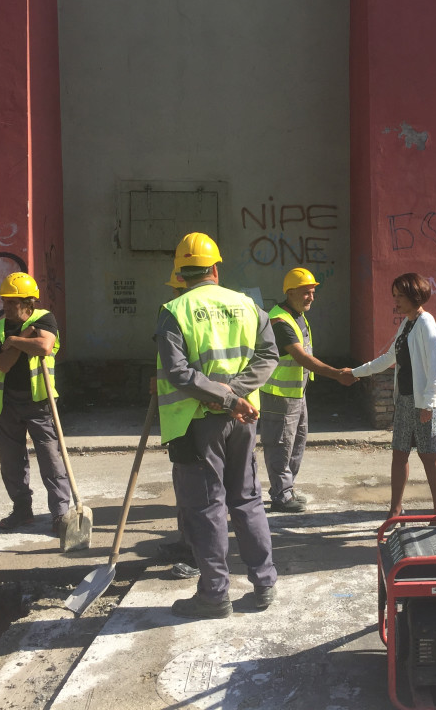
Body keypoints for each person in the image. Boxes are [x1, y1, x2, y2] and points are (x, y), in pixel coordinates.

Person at [157, 232, 279, 619]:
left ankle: (214, 595)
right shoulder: (248, 306)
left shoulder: (174, 310)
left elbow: (178, 373)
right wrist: (236, 395)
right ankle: (264, 584)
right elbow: (268, 355)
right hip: (243, 420)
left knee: (207, 507)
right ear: (215, 268)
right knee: (247, 499)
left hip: (197, 424)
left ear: (180, 272)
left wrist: (223, 396)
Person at [345, 272, 436, 519]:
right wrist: (356, 372)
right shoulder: (407, 324)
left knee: (428, 455)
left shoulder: (425, 322)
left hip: (422, 403)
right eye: (395, 296)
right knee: (399, 454)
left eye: (400, 296)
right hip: (404, 400)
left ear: (414, 296)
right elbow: (389, 357)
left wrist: (429, 404)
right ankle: (395, 510)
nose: (396, 301)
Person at [260, 267, 356, 513]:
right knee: (280, 445)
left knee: (297, 442)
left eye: (313, 292)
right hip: (279, 396)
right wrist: (337, 374)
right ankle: (281, 496)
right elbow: (302, 358)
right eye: (306, 292)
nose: (311, 297)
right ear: (290, 292)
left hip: (296, 393)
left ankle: (286, 489)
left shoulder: (297, 315)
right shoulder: (280, 320)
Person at [0, 271, 71, 535]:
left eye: (12, 302)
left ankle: (60, 514)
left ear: (28, 302)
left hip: (39, 403)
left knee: (51, 460)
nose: (6, 306)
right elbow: (3, 364)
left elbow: (44, 347)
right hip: (7, 403)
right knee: (11, 462)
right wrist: (20, 340)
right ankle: (22, 510)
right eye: (4, 301)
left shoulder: (44, 318)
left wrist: (13, 341)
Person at [155, 267, 200, 580]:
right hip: (180, 419)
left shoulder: (181, 313)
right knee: (185, 489)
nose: (173, 294)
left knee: (200, 494)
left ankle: (199, 555)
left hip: (195, 418)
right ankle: (187, 543)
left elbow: (187, 370)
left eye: (176, 288)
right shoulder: (177, 315)